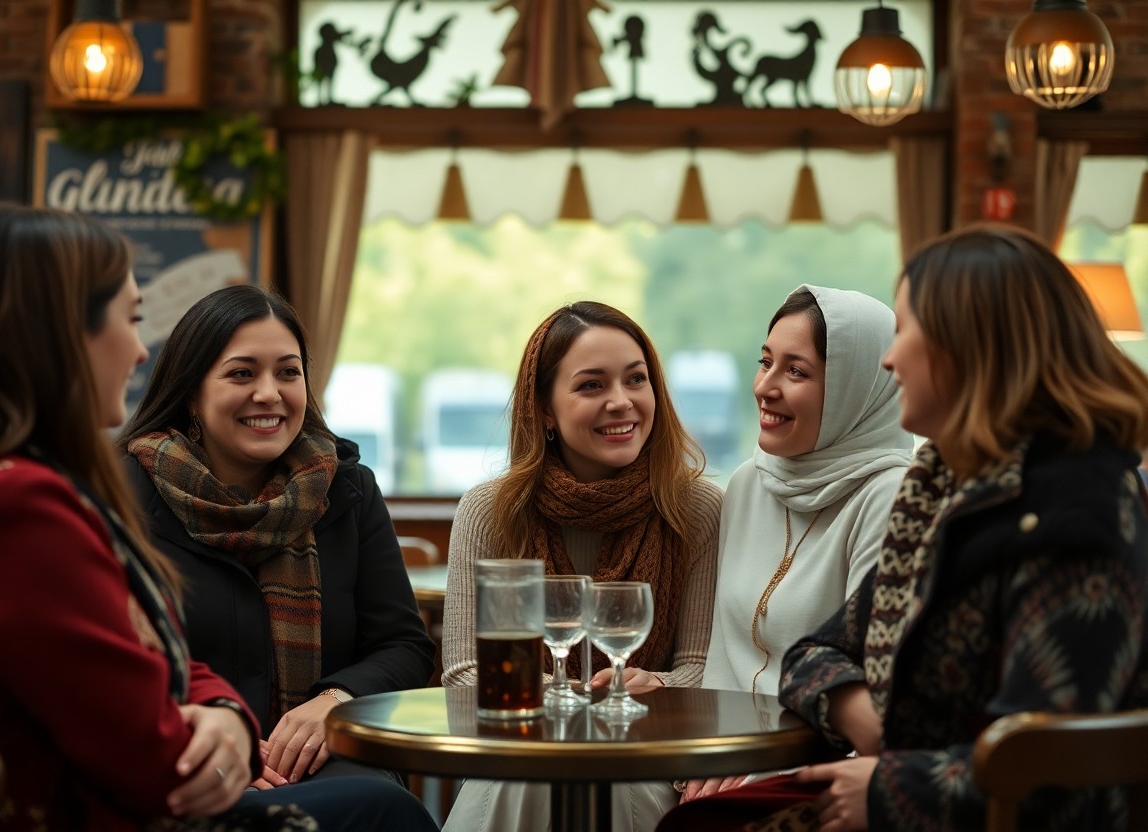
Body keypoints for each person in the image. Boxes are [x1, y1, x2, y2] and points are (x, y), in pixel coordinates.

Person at [0, 203, 438, 831]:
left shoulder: (9, 485)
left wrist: (238, 710)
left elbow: (146, 655)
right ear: (60, 335)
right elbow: (130, 728)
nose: (140, 353)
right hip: (121, 803)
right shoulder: (22, 502)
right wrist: (230, 743)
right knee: (385, 811)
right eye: (130, 320)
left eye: (289, 372)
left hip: (213, 764)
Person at [670, 224, 1148, 831]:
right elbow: (814, 653)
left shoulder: (1080, 503)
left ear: (970, 346)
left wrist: (886, 787)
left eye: (908, 330)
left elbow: (1047, 762)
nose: (889, 360)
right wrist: (869, 723)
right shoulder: (939, 483)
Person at [117, 284, 435, 789]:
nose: (270, 393)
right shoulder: (122, 493)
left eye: (288, 372)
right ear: (192, 392)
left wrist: (334, 701)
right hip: (184, 757)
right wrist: (218, 747)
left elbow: (403, 646)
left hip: (323, 758)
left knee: (377, 803)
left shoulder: (348, 488)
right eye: (242, 373)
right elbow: (109, 666)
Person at [441, 301, 723, 832]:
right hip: (518, 754)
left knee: (608, 778)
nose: (622, 402)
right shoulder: (493, 511)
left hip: (649, 753)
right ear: (545, 408)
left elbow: (703, 666)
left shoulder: (697, 509)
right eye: (592, 385)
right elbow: (463, 676)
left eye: (636, 380)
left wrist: (656, 684)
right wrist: (563, 701)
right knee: (533, 775)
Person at [679, 286, 912, 803]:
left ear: (855, 388)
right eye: (765, 363)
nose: (765, 387)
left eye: (797, 371)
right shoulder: (746, 483)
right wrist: (716, 747)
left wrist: (759, 767)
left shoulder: (892, 495)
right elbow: (725, 654)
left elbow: (878, 685)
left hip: (826, 767)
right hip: (722, 750)